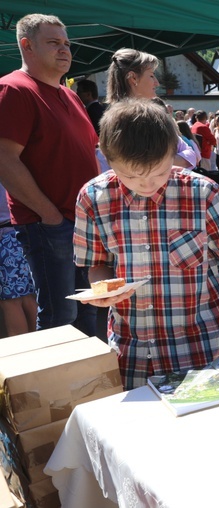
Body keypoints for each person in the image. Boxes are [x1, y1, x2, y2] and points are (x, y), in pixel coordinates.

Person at [73, 99, 219, 390]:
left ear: (175, 153)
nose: (145, 183)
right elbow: (97, 264)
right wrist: (105, 289)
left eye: (157, 172)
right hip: (132, 350)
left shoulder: (202, 193)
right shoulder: (93, 198)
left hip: (197, 347)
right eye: (130, 175)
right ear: (107, 157)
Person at [0, 14, 99, 334]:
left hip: (82, 223)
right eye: (53, 43)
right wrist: (50, 215)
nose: (64, 50)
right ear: (26, 46)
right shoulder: (13, 89)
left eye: (67, 43)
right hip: (50, 224)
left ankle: (90, 383)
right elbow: (5, 160)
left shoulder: (70, 94)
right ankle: (57, 385)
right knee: (61, 317)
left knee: (90, 311)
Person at [106, 48, 197, 169]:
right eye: (151, 75)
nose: (157, 83)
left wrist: (154, 163)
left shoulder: (155, 116)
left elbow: (191, 156)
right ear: (133, 78)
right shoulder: (121, 121)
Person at [0, 182, 37, 336]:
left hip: (5, 239)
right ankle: (43, 348)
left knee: (11, 302)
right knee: (28, 298)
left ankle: (22, 355)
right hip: (19, 235)